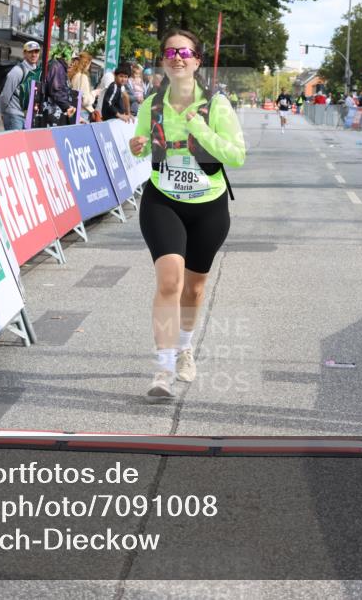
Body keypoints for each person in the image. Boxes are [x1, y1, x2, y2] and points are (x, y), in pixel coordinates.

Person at [127, 29, 246, 402]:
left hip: (208, 205)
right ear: (164, 61)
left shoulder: (217, 105)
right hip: (163, 200)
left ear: (196, 61)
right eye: (169, 52)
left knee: (193, 289)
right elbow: (139, 146)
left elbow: (236, 156)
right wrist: (137, 145)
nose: (177, 58)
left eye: (184, 52)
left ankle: (184, 347)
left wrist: (198, 127)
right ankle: (162, 369)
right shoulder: (152, 104)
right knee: (169, 282)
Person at [0, 40, 42, 131]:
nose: (34, 55)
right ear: (24, 53)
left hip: (28, 117)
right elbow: (5, 94)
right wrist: (3, 112)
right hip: (14, 116)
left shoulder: (37, 71)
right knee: (15, 145)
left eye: (36, 51)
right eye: (30, 52)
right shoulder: (17, 71)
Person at [42, 43, 76, 126]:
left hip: (55, 112)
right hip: (52, 113)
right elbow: (56, 90)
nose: (73, 63)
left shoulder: (58, 67)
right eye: (72, 59)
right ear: (65, 57)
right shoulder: (57, 67)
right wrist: (67, 106)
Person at [69, 51, 99, 122]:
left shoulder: (73, 76)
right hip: (83, 113)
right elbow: (85, 101)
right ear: (86, 64)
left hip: (74, 111)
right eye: (89, 64)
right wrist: (94, 93)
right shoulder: (83, 77)